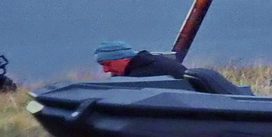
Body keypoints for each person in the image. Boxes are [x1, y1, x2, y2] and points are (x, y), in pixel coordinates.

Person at [94, 39, 250, 94]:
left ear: (123, 58)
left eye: (107, 64)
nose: (106, 70)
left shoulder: (144, 76)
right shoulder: (146, 64)